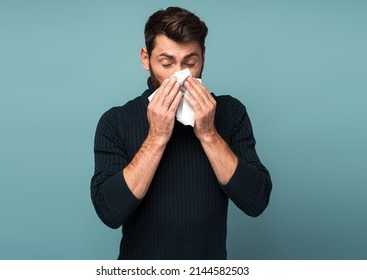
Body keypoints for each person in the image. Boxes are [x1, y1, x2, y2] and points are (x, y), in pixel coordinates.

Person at [91, 6, 272, 260]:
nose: (180, 76)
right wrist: (156, 138)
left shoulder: (231, 113)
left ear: (203, 58)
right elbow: (110, 212)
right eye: (166, 63)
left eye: (190, 63)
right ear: (146, 59)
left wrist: (209, 133)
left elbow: (256, 202)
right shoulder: (116, 121)